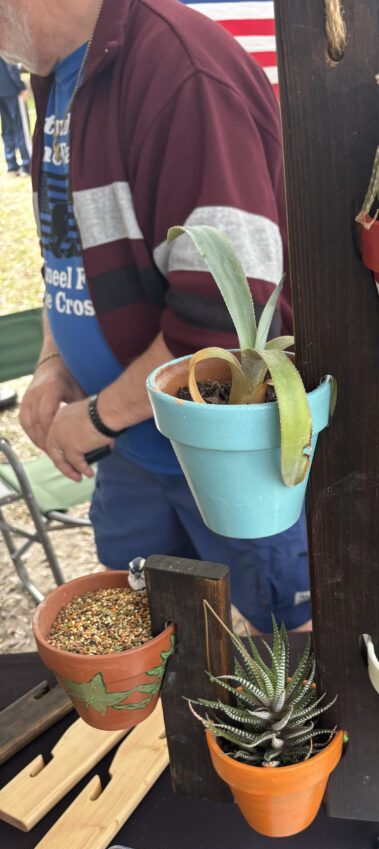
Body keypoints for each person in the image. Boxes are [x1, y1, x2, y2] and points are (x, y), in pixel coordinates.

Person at [0, 0, 311, 632]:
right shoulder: (60, 75)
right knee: (153, 634)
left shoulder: (179, 71)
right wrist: (53, 362)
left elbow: (226, 322)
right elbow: (69, 253)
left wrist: (91, 418)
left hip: (223, 454)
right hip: (130, 449)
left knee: (281, 645)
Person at [0, 57, 29, 175]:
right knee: (21, 127)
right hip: (11, 89)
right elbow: (10, 64)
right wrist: (21, 86)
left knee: (6, 129)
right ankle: (27, 164)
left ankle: (12, 166)